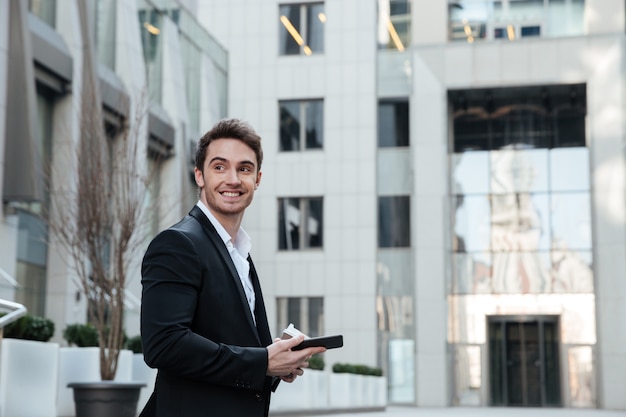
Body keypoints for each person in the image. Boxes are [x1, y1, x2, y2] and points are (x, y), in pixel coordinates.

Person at [139, 118, 325, 417]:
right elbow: (164, 344)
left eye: (244, 169)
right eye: (219, 167)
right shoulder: (177, 244)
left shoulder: (240, 253)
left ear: (258, 179)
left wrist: (276, 363)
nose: (233, 179)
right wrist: (260, 362)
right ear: (199, 175)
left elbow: (229, 344)